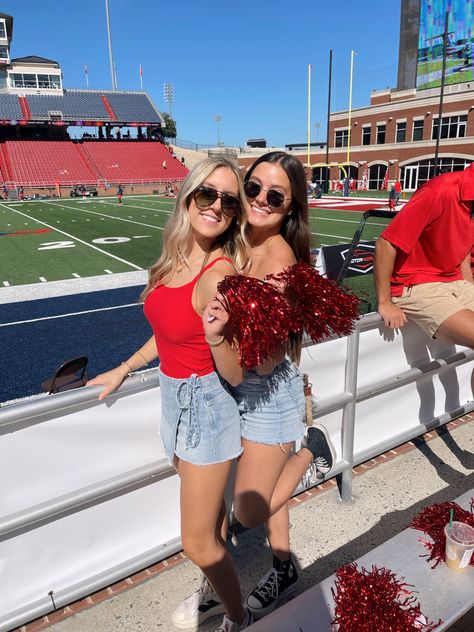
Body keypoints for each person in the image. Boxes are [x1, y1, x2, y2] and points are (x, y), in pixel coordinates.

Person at [88, 158, 253, 632]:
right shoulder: (173, 259)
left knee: (198, 543)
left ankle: (237, 618)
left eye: (228, 201)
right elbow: (169, 334)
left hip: (206, 405)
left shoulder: (220, 276)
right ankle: (213, 594)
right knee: (212, 519)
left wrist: (220, 337)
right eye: (208, 194)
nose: (217, 207)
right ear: (187, 196)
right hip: (173, 398)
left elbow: (237, 374)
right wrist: (123, 367)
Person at [174, 152, 336, 625]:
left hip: (263, 388)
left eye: (275, 196)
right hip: (224, 382)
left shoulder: (282, 261)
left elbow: (265, 357)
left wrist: (223, 336)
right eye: (252, 188)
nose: (260, 200)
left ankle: (312, 450)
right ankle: (255, 574)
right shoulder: (230, 235)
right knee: (222, 500)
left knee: (246, 512)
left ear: (290, 209)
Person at [375, 164, 474, 349]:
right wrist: (385, 302)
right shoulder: (438, 191)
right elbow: (385, 244)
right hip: (416, 284)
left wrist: (468, 282)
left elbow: (464, 244)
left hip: (454, 280)